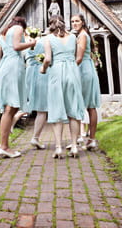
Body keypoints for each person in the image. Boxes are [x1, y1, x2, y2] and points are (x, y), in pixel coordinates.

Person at [0, 16, 36, 158]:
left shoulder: (2, 35)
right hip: (14, 67)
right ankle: (4, 146)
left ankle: (4, 145)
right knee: (10, 108)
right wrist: (32, 42)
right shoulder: (19, 28)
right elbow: (16, 46)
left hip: (5, 68)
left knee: (10, 108)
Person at [40, 15, 85, 159]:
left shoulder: (48, 39)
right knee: (73, 110)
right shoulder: (73, 37)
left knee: (56, 109)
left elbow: (47, 59)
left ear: (50, 24)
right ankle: (74, 146)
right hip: (72, 72)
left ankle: (59, 148)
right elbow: (78, 56)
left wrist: (43, 69)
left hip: (56, 72)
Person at [71, 14, 101, 150]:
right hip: (85, 69)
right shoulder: (81, 35)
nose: (74, 23)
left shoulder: (82, 36)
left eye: (77, 21)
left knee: (86, 105)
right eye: (72, 21)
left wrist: (68, 69)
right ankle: (86, 139)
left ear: (83, 22)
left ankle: (85, 139)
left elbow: (79, 58)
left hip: (83, 70)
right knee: (87, 105)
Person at [24, 35, 48, 149]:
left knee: (31, 103)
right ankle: (35, 138)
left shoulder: (27, 45)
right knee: (42, 108)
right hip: (41, 74)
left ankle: (11, 125)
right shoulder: (45, 42)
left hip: (29, 73)